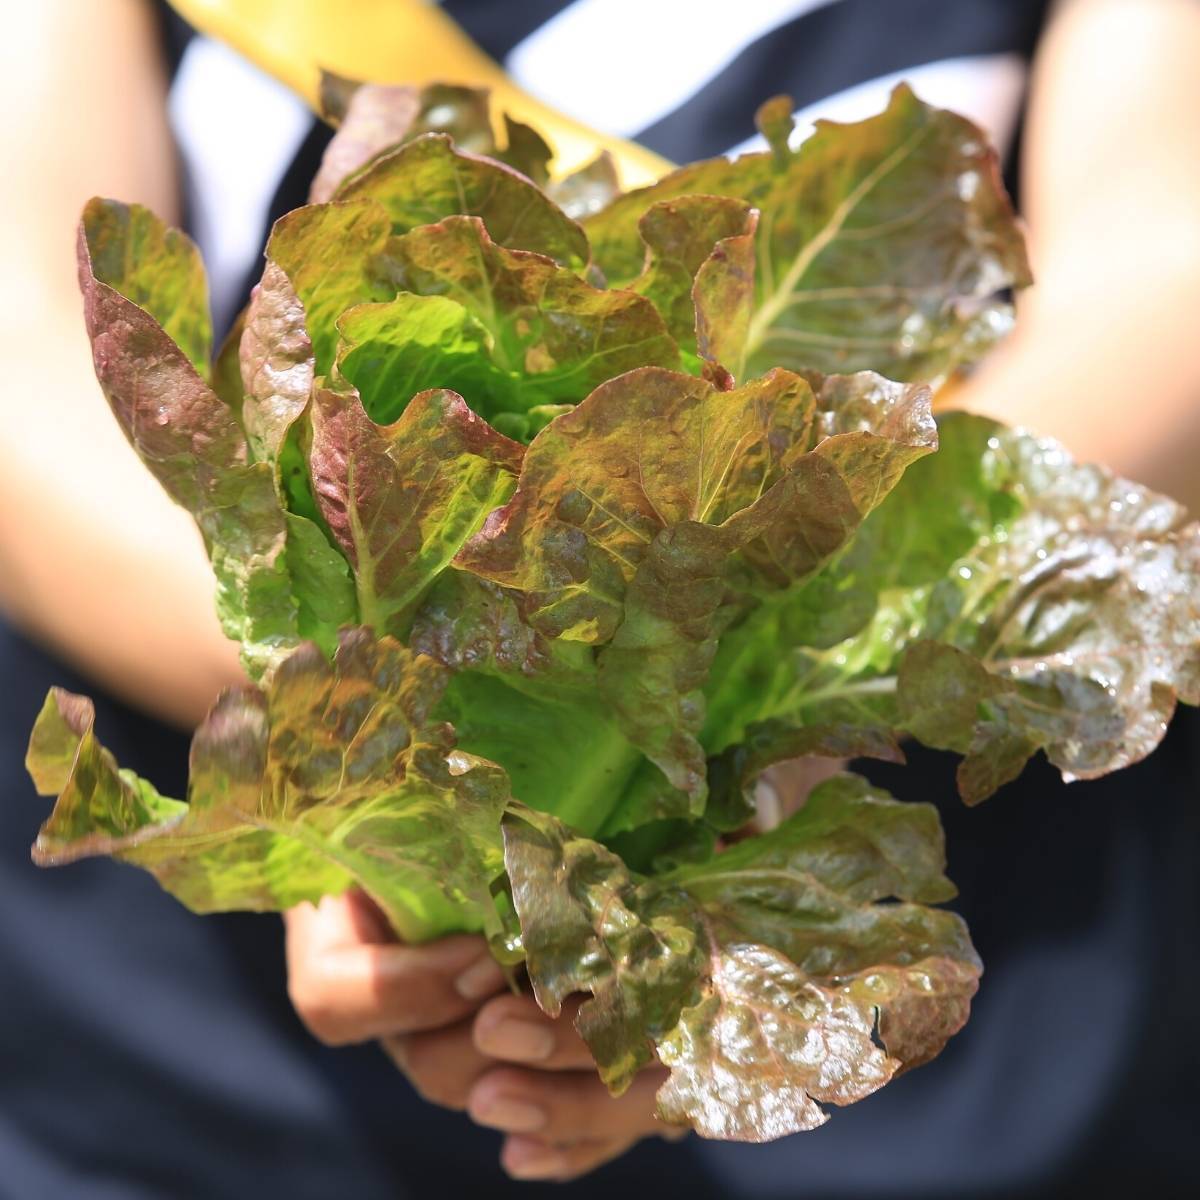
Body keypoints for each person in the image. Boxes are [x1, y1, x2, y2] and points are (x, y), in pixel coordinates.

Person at [1, 0, 1196, 1195]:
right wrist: (352, 748)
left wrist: (727, 732)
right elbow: (23, 332)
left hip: (938, 1103)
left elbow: (1162, 276)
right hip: (187, 1093)